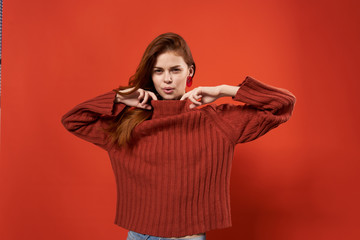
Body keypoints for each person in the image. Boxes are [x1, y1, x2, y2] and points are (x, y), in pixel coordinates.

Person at [61, 32, 296, 240]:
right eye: (158, 71)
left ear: (189, 71)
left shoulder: (215, 122)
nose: (167, 80)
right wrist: (120, 98)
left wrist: (223, 90)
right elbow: (73, 120)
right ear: (150, 75)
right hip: (139, 236)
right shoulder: (130, 123)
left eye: (175, 70)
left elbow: (282, 105)